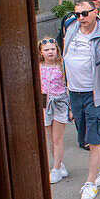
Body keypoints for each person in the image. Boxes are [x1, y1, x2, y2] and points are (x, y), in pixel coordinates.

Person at [63, 0, 100, 199]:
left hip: (94, 94)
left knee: (94, 139)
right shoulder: (71, 28)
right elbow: (65, 56)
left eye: (85, 14)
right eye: (77, 14)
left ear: (95, 11)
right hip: (74, 92)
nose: (81, 18)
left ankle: (90, 182)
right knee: (89, 137)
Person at [38, 36, 70, 185]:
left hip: (60, 103)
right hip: (45, 104)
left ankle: (55, 169)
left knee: (57, 138)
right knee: (50, 138)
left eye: (52, 49)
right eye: (46, 50)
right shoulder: (38, 67)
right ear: (40, 52)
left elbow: (69, 87)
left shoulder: (62, 66)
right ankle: (60, 164)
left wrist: (70, 108)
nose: (50, 52)